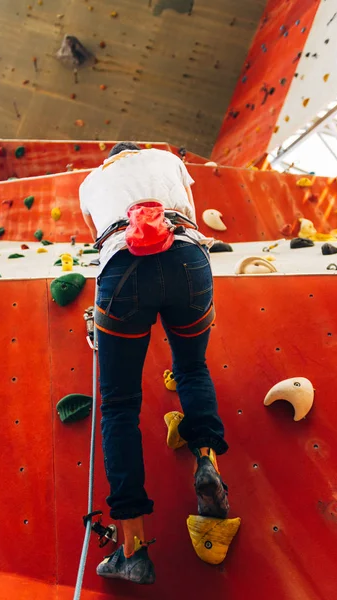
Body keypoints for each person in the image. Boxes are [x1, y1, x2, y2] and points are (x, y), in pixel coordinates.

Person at [79, 142, 229, 585]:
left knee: (120, 405)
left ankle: (133, 550)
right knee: (191, 368)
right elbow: (194, 218)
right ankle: (206, 464)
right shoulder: (170, 160)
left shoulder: (91, 182)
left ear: (109, 159)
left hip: (123, 269)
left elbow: (99, 242)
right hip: (187, 259)